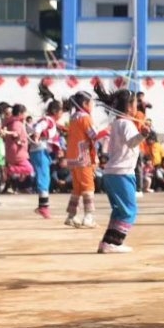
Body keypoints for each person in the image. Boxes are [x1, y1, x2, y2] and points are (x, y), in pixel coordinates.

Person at [98, 89, 145, 253]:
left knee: (119, 210)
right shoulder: (126, 124)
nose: (137, 106)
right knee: (129, 211)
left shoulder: (117, 123)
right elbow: (132, 142)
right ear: (129, 107)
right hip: (122, 172)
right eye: (135, 103)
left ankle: (107, 242)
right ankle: (115, 243)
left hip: (112, 173)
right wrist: (143, 134)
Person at [63, 91, 97, 228]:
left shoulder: (73, 118)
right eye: (91, 103)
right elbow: (94, 135)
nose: (92, 106)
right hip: (83, 157)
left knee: (77, 188)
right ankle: (88, 217)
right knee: (88, 186)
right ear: (85, 104)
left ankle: (71, 216)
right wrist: (107, 131)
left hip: (72, 157)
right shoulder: (85, 118)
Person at [29, 99, 63, 218]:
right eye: (61, 111)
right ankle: (43, 207)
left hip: (42, 151)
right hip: (40, 150)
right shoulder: (48, 120)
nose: (62, 114)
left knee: (45, 177)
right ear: (55, 111)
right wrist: (37, 135)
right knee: (44, 177)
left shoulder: (51, 121)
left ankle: (42, 206)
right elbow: (39, 127)